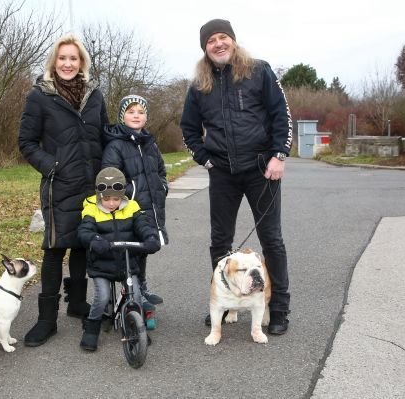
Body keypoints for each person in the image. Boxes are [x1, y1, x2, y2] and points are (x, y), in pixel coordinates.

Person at [180, 19, 293, 334]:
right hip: (223, 173)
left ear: (232, 40)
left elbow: (281, 115)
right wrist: (205, 159)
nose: (218, 44)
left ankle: (279, 308)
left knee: (272, 240)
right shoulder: (199, 84)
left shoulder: (259, 70)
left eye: (223, 37)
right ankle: (225, 302)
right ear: (205, 47)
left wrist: (279, 155)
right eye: (211, 40)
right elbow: (188, 128)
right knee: (220, 242)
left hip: (262, 169)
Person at [18, 33, 109, 347]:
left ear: (81, 61)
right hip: (59, 186)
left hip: (92, 185)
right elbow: (26, 143)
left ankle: (78, 304)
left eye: (73, 58)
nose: (68, 63)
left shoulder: (95, 96)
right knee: (55, 249)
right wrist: (51, 166)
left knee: (83, 245)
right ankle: (46, 320)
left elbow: (105, 137)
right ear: (53, 62)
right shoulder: (40, 97)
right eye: (62, 58)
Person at [77, 167, 160, 351]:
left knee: (136, 295)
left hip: (127, 262)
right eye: (106, 199)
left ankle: (137, 328)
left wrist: (151, 237)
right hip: (101, 263)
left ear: (122, 194)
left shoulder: (132, 206)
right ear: (99, 196)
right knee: (102, 297)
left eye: (116, 198)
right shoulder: (91, 207)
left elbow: (143, 226)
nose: (111, 203)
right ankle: (92, 328)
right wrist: (94, 240)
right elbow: (85, 230)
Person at [101, 94, 168, 312]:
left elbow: (161, 171)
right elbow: (110, 177)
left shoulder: (150, 144)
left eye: (140, 112)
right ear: (122, 116)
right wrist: (132, 194)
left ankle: (143, 287)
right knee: (130, 251)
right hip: (129, 208)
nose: (136, 115)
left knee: (144, 248)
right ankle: (132, 291)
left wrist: (162, 187)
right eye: (131, 111)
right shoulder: (115, 146)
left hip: (151, 207)